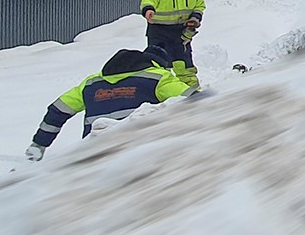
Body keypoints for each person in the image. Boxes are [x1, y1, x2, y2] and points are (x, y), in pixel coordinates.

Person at [25, 47, 191, 159]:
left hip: (93, 153)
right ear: (156, 63)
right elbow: (195, 100)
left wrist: (39, 144)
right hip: (139, 152)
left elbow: (58, 110)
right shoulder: (158, 78)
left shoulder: (91, 83)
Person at [142, 0, 206, 90]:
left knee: (185, 66)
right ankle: (162, 97)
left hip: (181, 33)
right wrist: (148, 10)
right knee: (159, 67)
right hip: (159, 32)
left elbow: (199, 5)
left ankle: (194, 93)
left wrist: (195, 18)